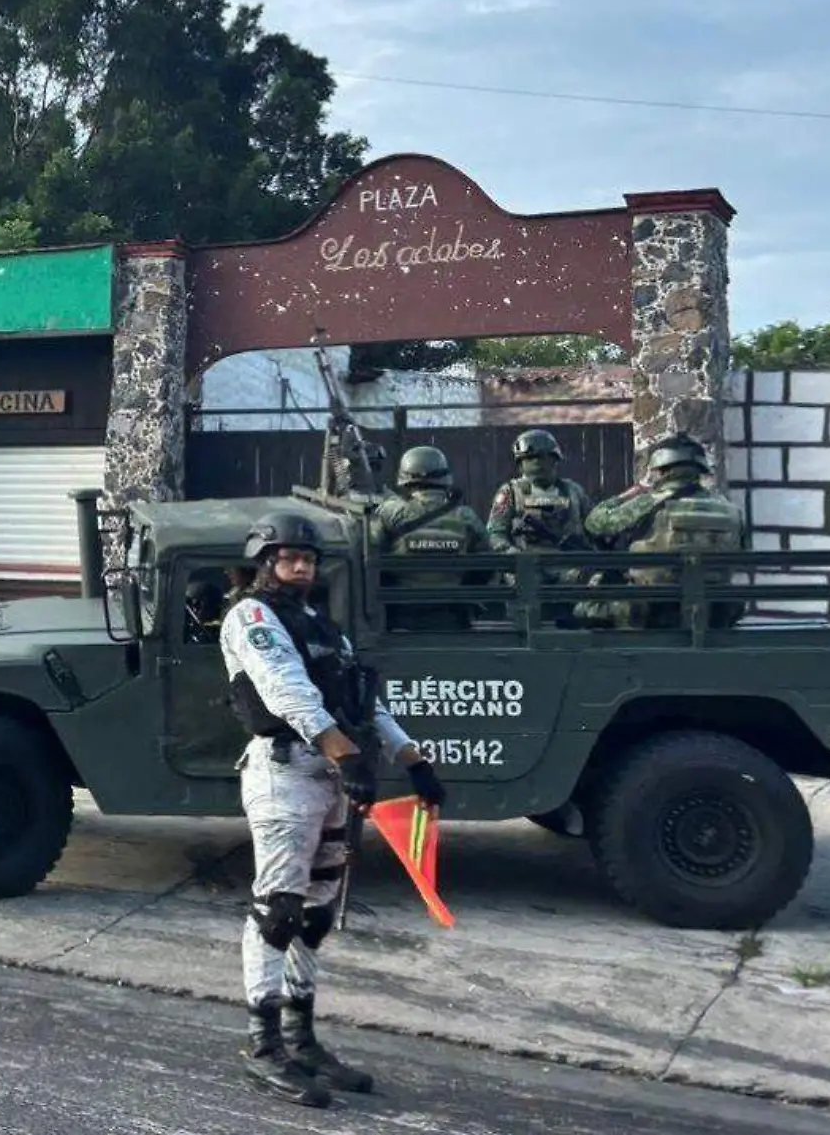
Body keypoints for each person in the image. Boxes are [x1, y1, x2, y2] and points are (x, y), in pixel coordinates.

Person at [219, 510, 447, 1107]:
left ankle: (302, 1037)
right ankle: (263, 1046)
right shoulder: (253, 616)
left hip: (331, 776)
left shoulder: (325, 627)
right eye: (290, 556)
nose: (302, 566)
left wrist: (411, 757)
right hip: (286, 773)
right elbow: (282, 687)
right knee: (278, 909)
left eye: (310, 559)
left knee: (317, 912)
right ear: (265, 562)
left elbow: (363, 702)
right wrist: (341, 751)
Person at [578, 433, 747, 628]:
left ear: (660, 470)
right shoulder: (731, 510)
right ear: (700, 469)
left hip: (650, 613)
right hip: (713, 613)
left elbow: (594, 522)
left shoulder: (647, 504)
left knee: (585, 606)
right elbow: (742, 552)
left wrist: (629, 494)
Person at [370, 445, 492, 630]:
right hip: (452, 618)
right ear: (444, 477)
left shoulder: (389, 512)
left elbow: (371, 559)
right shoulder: (466, 516)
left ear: (406, 477)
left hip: (400, 618)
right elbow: (487, 566)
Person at [487, 429, 594, 625]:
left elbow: (593, 529)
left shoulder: (573, 491)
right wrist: (515, 557)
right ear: (521, 463)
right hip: (527, 573)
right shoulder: (511, 492)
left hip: (569, 573)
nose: (538, 463)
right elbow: (495, 534)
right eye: (531, 458)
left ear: (554, 459)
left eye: (543, 458)